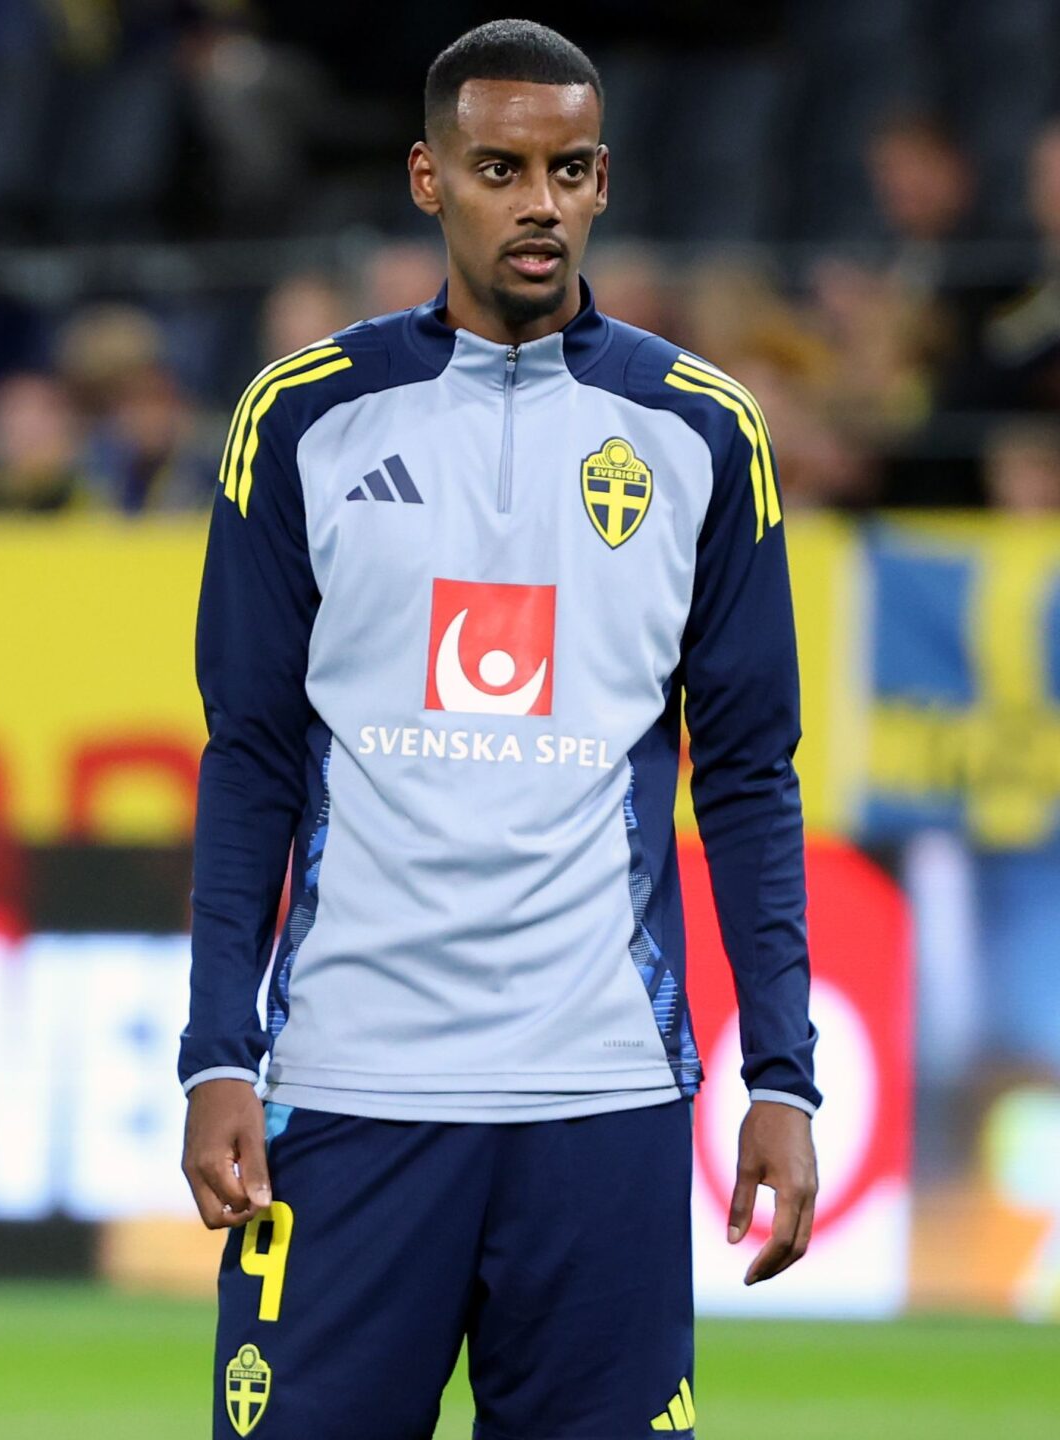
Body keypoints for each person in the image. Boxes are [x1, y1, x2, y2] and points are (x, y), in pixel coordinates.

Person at [177, 21, 820, 1440]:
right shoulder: (303, 420)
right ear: (428, 179)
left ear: (603, 183)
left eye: (568, 170)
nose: (539, 202)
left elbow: (750, 778)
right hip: (349, 1090)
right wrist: (218, 1049)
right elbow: (250, 758)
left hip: (601, 1092)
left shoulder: (702, 434)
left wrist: (781, 1074)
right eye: (500, 169)